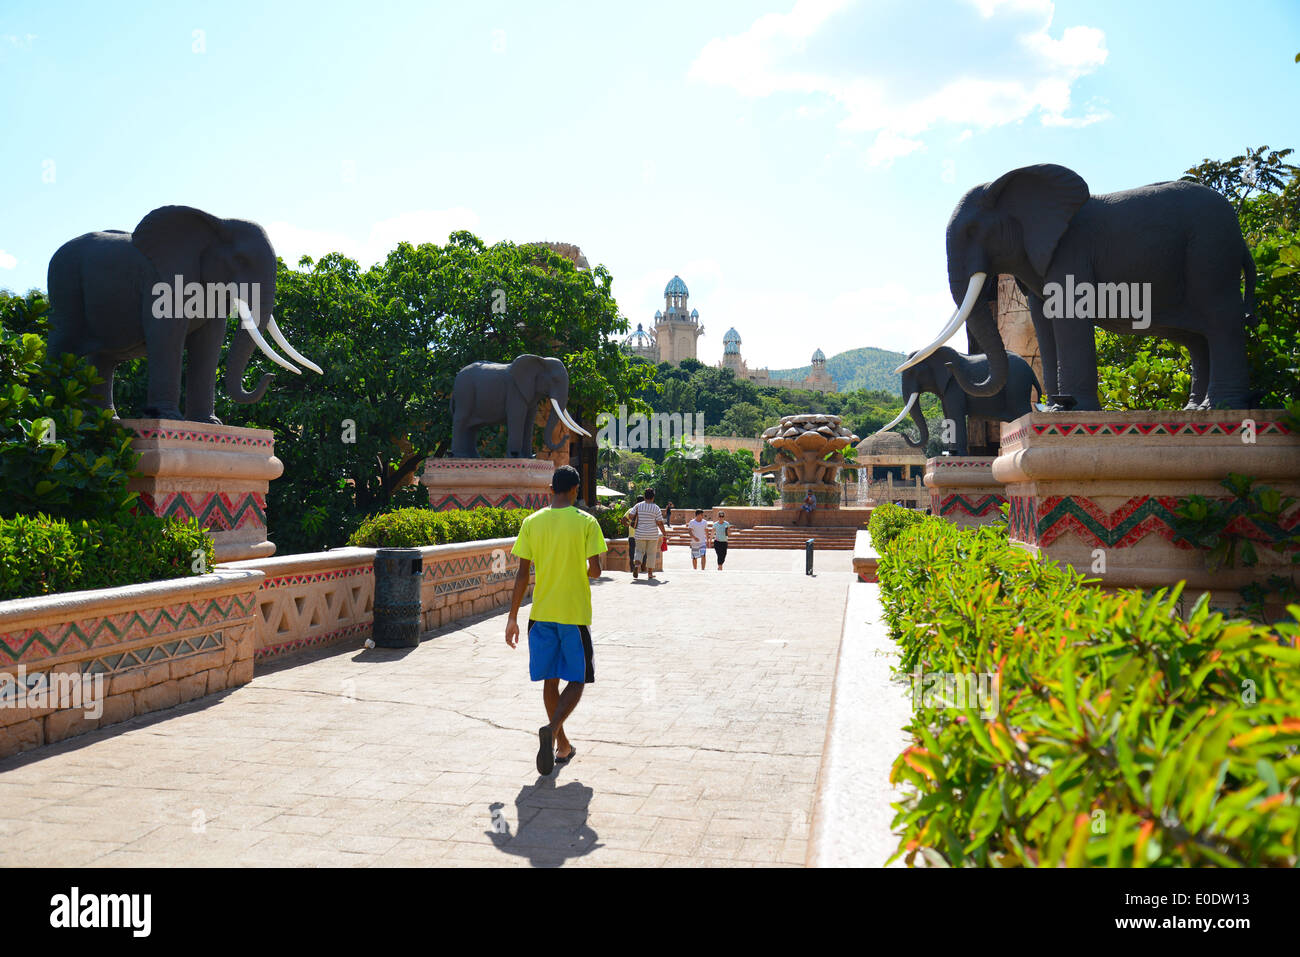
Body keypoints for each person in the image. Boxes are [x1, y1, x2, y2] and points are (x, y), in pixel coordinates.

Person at [505, 465, 606, 776]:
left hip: (541, 614)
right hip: (573, 615)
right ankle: (552, 730)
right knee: (577, 679)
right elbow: (596, 571)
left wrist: (512, 618)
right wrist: (579, 568)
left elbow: (522, 573)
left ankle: (561, 744)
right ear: (575, 490)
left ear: (551, 488)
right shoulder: (587, 522)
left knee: (550, 680)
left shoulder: (532, 522)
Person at [624, 487, 667, 581]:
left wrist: (634, 523)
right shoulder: (656, 507)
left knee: (639, 551)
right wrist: (664, 533)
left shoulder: (638, 505)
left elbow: (630, 516)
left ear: (644, 496)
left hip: (639, 533)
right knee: (651, 553)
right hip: (652, 534)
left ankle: (636, 565)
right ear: (653, 497)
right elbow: (660, 522)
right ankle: (650, 574)